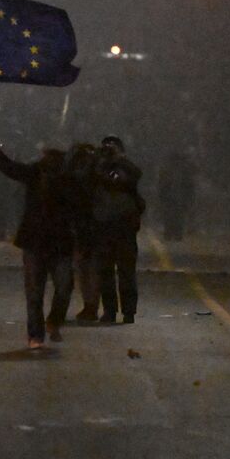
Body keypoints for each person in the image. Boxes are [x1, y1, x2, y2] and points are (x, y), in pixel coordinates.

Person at [0, 132, 77, 348]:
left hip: (51, 242)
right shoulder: (41, 174)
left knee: (48, 290)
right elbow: (11, 168)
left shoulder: (67, 180)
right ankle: (40, 331)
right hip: (43, 241)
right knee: (46, 290)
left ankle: (46, 327)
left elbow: (10, 168)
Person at [92, 135, 144, 324]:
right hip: (104, 226)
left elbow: (135, 175)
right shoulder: (98, 167)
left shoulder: (127, 169)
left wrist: (118, 160)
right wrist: (101, 160)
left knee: (126, 271)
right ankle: (109, 310)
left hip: (124, 227)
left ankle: (129, 311)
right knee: (105, 271)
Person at [68, 143, 101, 321]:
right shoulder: (98, 173)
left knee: (86, 268)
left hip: (85, 224)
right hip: (91, 224)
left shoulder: (79, 176)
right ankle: (91, 304)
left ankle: (91, 305)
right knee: (89, 268)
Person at [157, 149, 196, 242]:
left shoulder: (168, 170)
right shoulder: (170, 170)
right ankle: (174, 233)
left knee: (173, 216)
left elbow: (161, 184)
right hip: (174, 197)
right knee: (175, 216)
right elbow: (162, 184)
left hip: (175, 197)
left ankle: (172, 233)